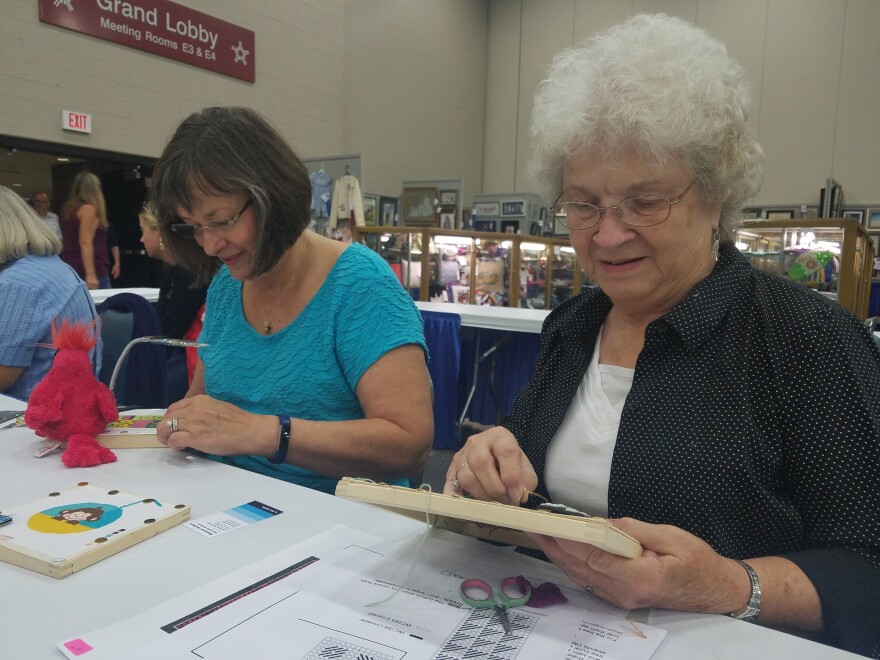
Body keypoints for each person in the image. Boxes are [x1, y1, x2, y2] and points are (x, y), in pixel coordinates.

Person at [444, 14, 880, 658]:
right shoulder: (575, 327)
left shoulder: (810, 343)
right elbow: (526, 486)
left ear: (715, 196)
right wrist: (482, 473)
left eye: (645, 202)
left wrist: (730, 584)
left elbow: (867, 568)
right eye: (584, 205)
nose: (608, 234)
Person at [151, 106, 433, 494]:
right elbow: (202, 400)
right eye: (194, 227)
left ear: (270, 196)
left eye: (222, 220)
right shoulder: (226, 287)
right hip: (228, 507)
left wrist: (266, 433)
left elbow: (408, 445)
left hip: (338, 524)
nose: (211, 244)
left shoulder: (359, 285)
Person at [0, 185, 100, 400]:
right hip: (72, 405)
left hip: (31, 418)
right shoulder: (49, 266)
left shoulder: (18, 282)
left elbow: (3, 376)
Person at [137, 204, 207, 391]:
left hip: (198, 362)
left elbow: (169, 332)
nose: (141, 239)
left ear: (160, 234)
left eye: (143, 231)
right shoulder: (173, 271)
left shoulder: (191, 277)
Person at [59, 171, 111, 290]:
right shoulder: (88, 209)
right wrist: (91, 274)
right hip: (90, 267)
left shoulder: (68, 208)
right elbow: (85, 242)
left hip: (69, 265)